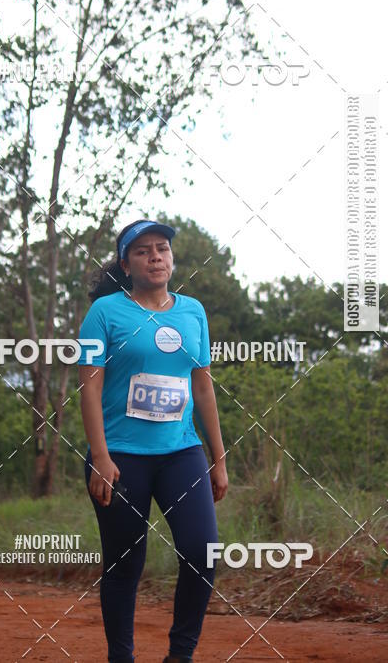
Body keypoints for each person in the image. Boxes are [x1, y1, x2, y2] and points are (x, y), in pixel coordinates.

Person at [78, 219, 228, 663]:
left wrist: (218, 459)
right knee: (125, 565)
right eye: (143, 251)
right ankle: (120, 657)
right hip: (121, 457)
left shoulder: (192, 311)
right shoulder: (104, 313)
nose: (156, 256)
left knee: (202, 554)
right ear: (126, 264)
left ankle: (179, 656)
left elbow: (202, 386)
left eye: (162, 248)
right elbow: (88, 386)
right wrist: (100, 456)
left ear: (172, 257)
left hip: (182, 451)